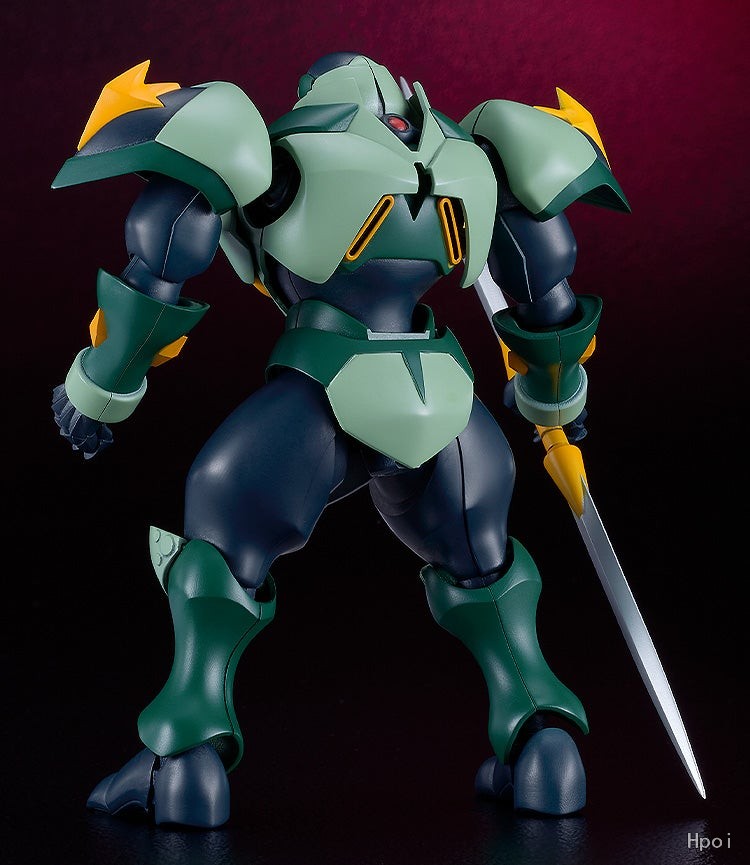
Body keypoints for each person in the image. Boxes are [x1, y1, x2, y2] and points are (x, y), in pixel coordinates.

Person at [51, 52, 630, 828]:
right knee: (485, 568)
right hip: (445, 406)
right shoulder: (478, 153)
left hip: (319, 393)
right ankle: (545, 751)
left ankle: (184, 765)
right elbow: (544, 283)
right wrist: (555, 401)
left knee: (219, 542)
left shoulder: (274, 152)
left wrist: (98, 388)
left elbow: (167, 246)